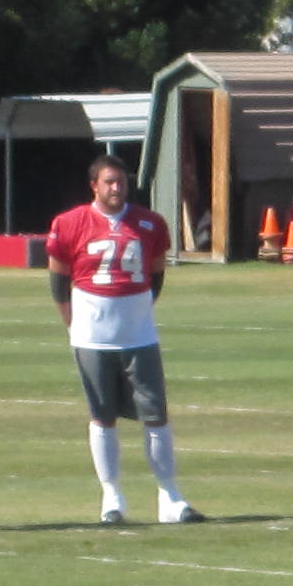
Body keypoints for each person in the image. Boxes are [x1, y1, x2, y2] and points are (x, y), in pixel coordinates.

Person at [44, 156, 193, 525]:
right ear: (94, 184)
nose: (116, 188)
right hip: (92, 334)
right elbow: (59, 282)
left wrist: (137, 310)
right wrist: (73, 324)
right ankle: (111, 497)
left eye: (121, 182)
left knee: (156, 414)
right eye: (109, 182)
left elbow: (156, 276)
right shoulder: (69, 223)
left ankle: (170, 496)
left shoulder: (150, 223)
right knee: (102, 416)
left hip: (138, 333)